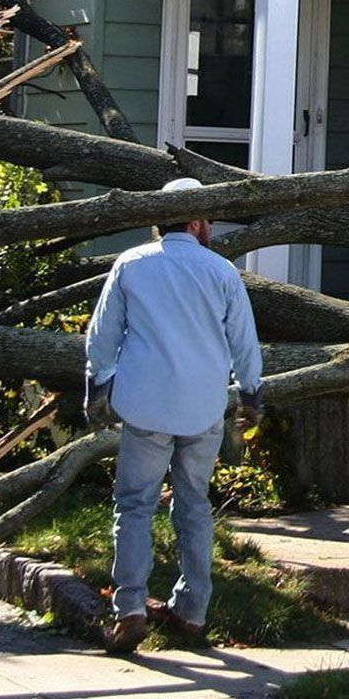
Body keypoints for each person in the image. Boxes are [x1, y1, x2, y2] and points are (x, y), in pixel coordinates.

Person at [84, 177, 263, 654]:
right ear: (199, 221)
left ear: (160, 221)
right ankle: (193, 610)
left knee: (135, 505)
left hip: (145, 404)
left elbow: (103, 335)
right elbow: (243, 341)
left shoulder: (132, 265)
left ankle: (130, 609)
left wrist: (96, 386)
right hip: (203, 406)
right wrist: (251, 393)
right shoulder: (221, 272)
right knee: (194, 505)